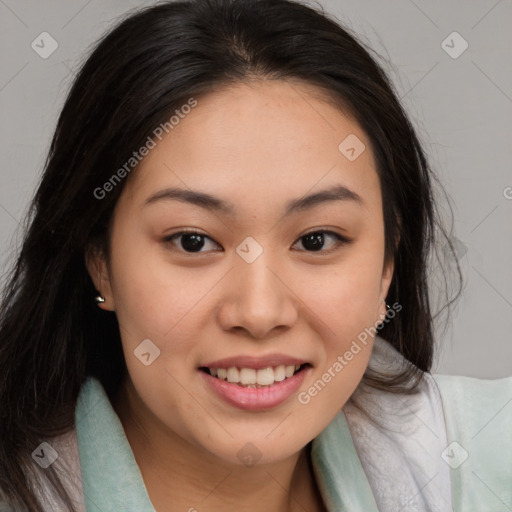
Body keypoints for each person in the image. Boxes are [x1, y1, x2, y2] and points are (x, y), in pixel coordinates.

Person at [0, 0, 510, 511]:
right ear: (101, 262)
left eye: (316, 240)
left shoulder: (482, 461)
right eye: (193, 241)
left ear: (386, 267)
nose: (260, 312)